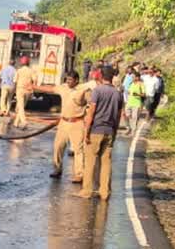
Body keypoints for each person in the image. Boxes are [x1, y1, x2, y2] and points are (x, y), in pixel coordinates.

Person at [78, 65, 124, 200]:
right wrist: (114, 131)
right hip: (109, 130)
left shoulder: (97, 91)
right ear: (112, 77)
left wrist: (86, 132)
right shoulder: (118, 94)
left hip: (96, 130)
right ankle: (104, 192)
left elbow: (91, 111)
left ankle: (87, 191)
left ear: (101, 76)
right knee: (106, 163)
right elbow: (118, 115)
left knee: (90, 162)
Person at [50, 71, 87, 182]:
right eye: (67, 79)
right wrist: (33, 86)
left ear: (77, 80)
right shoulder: (63, 88)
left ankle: (79, 174)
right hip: (64, 122)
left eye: (70, 80)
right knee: (58, 146)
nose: (68, 82)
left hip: (77, 122)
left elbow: (91, 102)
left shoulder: (83, 90)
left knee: (78, 150)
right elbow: (51, 89)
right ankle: (57, 168)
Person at [14, 55, 38, 128]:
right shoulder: (31, 71)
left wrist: (15, 90)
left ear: (21, 63)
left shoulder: (19, 70)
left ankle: (24, 121)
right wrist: (33, 88)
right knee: (22, 106)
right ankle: (16, 123)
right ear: (28, 63)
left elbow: (15, 81)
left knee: (20, 107)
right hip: (28, 90)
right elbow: (35, 80)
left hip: (20, 89)